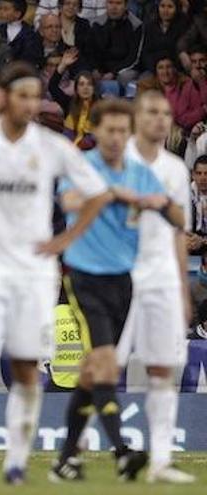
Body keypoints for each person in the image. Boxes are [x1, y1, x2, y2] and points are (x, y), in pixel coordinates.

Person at [0, 62, 112, 485]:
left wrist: (63, 242)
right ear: (4, 97)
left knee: (28, 367)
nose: (31, 104)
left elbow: (98, 194)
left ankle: (16, 463)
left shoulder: (51, 146)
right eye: (23, 95)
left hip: (33, 274)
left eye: (36, 97)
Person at [50, 99, 185, 483]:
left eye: (121, 131)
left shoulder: (141, 173)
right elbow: (70, 201)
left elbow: (177, 216)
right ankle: (123, 452)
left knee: (93, 372)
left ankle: (65, 460)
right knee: (107, 361)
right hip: (84, 278)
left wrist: (161, 204)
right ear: (94, 131)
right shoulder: (82, 167)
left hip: (123, 281)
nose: (115, 137)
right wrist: (120, 195)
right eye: (108, 130)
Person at [114, 91, 196, 484]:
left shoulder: (177, 169)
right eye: (152, 112)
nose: (161, 119)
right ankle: (74, 449)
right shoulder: (117, 160)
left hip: (161, 277)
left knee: (163, 368)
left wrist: (182, 288)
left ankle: (161, 460)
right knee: (102, 365)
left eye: (166, 113)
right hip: (118, 277)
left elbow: (179, 230)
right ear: (136, 117)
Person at [91, 0, 142, 97]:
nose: (114, 7)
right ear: (106, 4)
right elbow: (91, 51)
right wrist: (95, 69)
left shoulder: (136, 25)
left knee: (125, 77)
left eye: (118, 3)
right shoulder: (96, 23)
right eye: (110, 2)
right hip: (101, 69)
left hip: (124, 69)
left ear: (126, 5)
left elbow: (134, 57)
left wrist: (113, 73)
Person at [49, 53, 99, 149]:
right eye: (81, 84)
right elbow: (52, 87)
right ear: (76, 89)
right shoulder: (68, 103)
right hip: (69, 150)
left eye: (89, 84)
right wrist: (62, 65)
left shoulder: (102, 106)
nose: (85, 88)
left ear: (94, 88)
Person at [0, 0, 42, 67]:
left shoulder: (30, 35)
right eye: (1, 9)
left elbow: (29, 59)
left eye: (6, 9)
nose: (1, 12)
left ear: (17, 14)